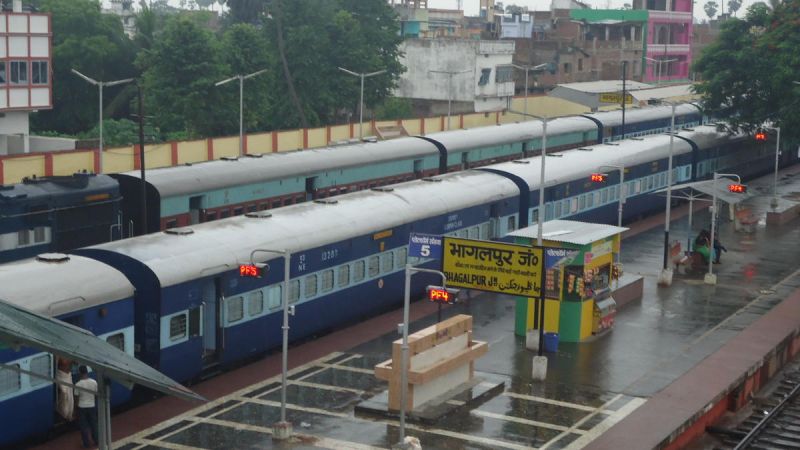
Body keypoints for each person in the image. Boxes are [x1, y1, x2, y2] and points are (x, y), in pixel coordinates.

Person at [74, 366, 98, 449]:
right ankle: (97, 440)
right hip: (92, 406)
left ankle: (86, 443)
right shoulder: (94, 382)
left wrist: (75, 409)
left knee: (83, 426)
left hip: (82, 407)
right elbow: (95, 394)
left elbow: (76, 398)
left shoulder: (78, 384)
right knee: (93, 424)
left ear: (80, 373)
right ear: (87, 372)